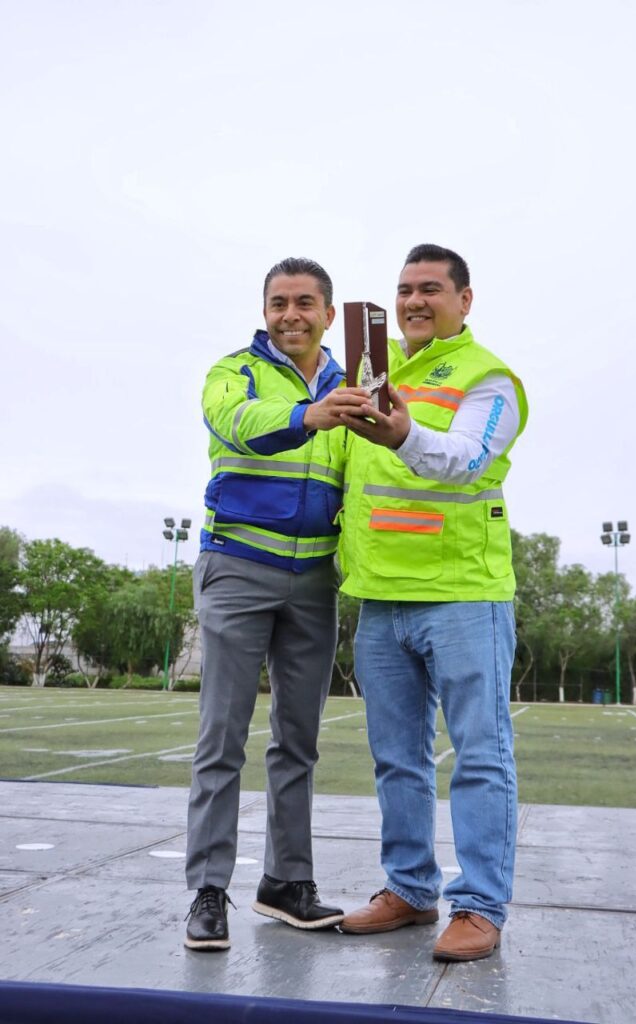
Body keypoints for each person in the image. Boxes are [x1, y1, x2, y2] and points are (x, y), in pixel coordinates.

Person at [335, 243, 528, 962]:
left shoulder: (489, 378)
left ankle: (478, 907)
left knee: (480, 755)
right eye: (405, 289)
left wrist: (405, 432)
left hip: (462, 595)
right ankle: (410, 890)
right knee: (397, 759)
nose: (414, 301)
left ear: (463, 300)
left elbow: (466, 459)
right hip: (380, 597)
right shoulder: (370, 371)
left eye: (431, 289)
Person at [184, 257, 368, 951]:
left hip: (315, 579)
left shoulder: (354, 383)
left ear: (328, 312)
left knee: (299, 741)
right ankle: (208, 891)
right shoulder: (234, 370)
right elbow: (235, 421)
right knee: (222, 739)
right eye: (278, 302)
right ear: (265, 311)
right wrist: (306, 415)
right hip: (237, 567)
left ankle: (287, 883)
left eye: (304, 303)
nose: (290, 314)